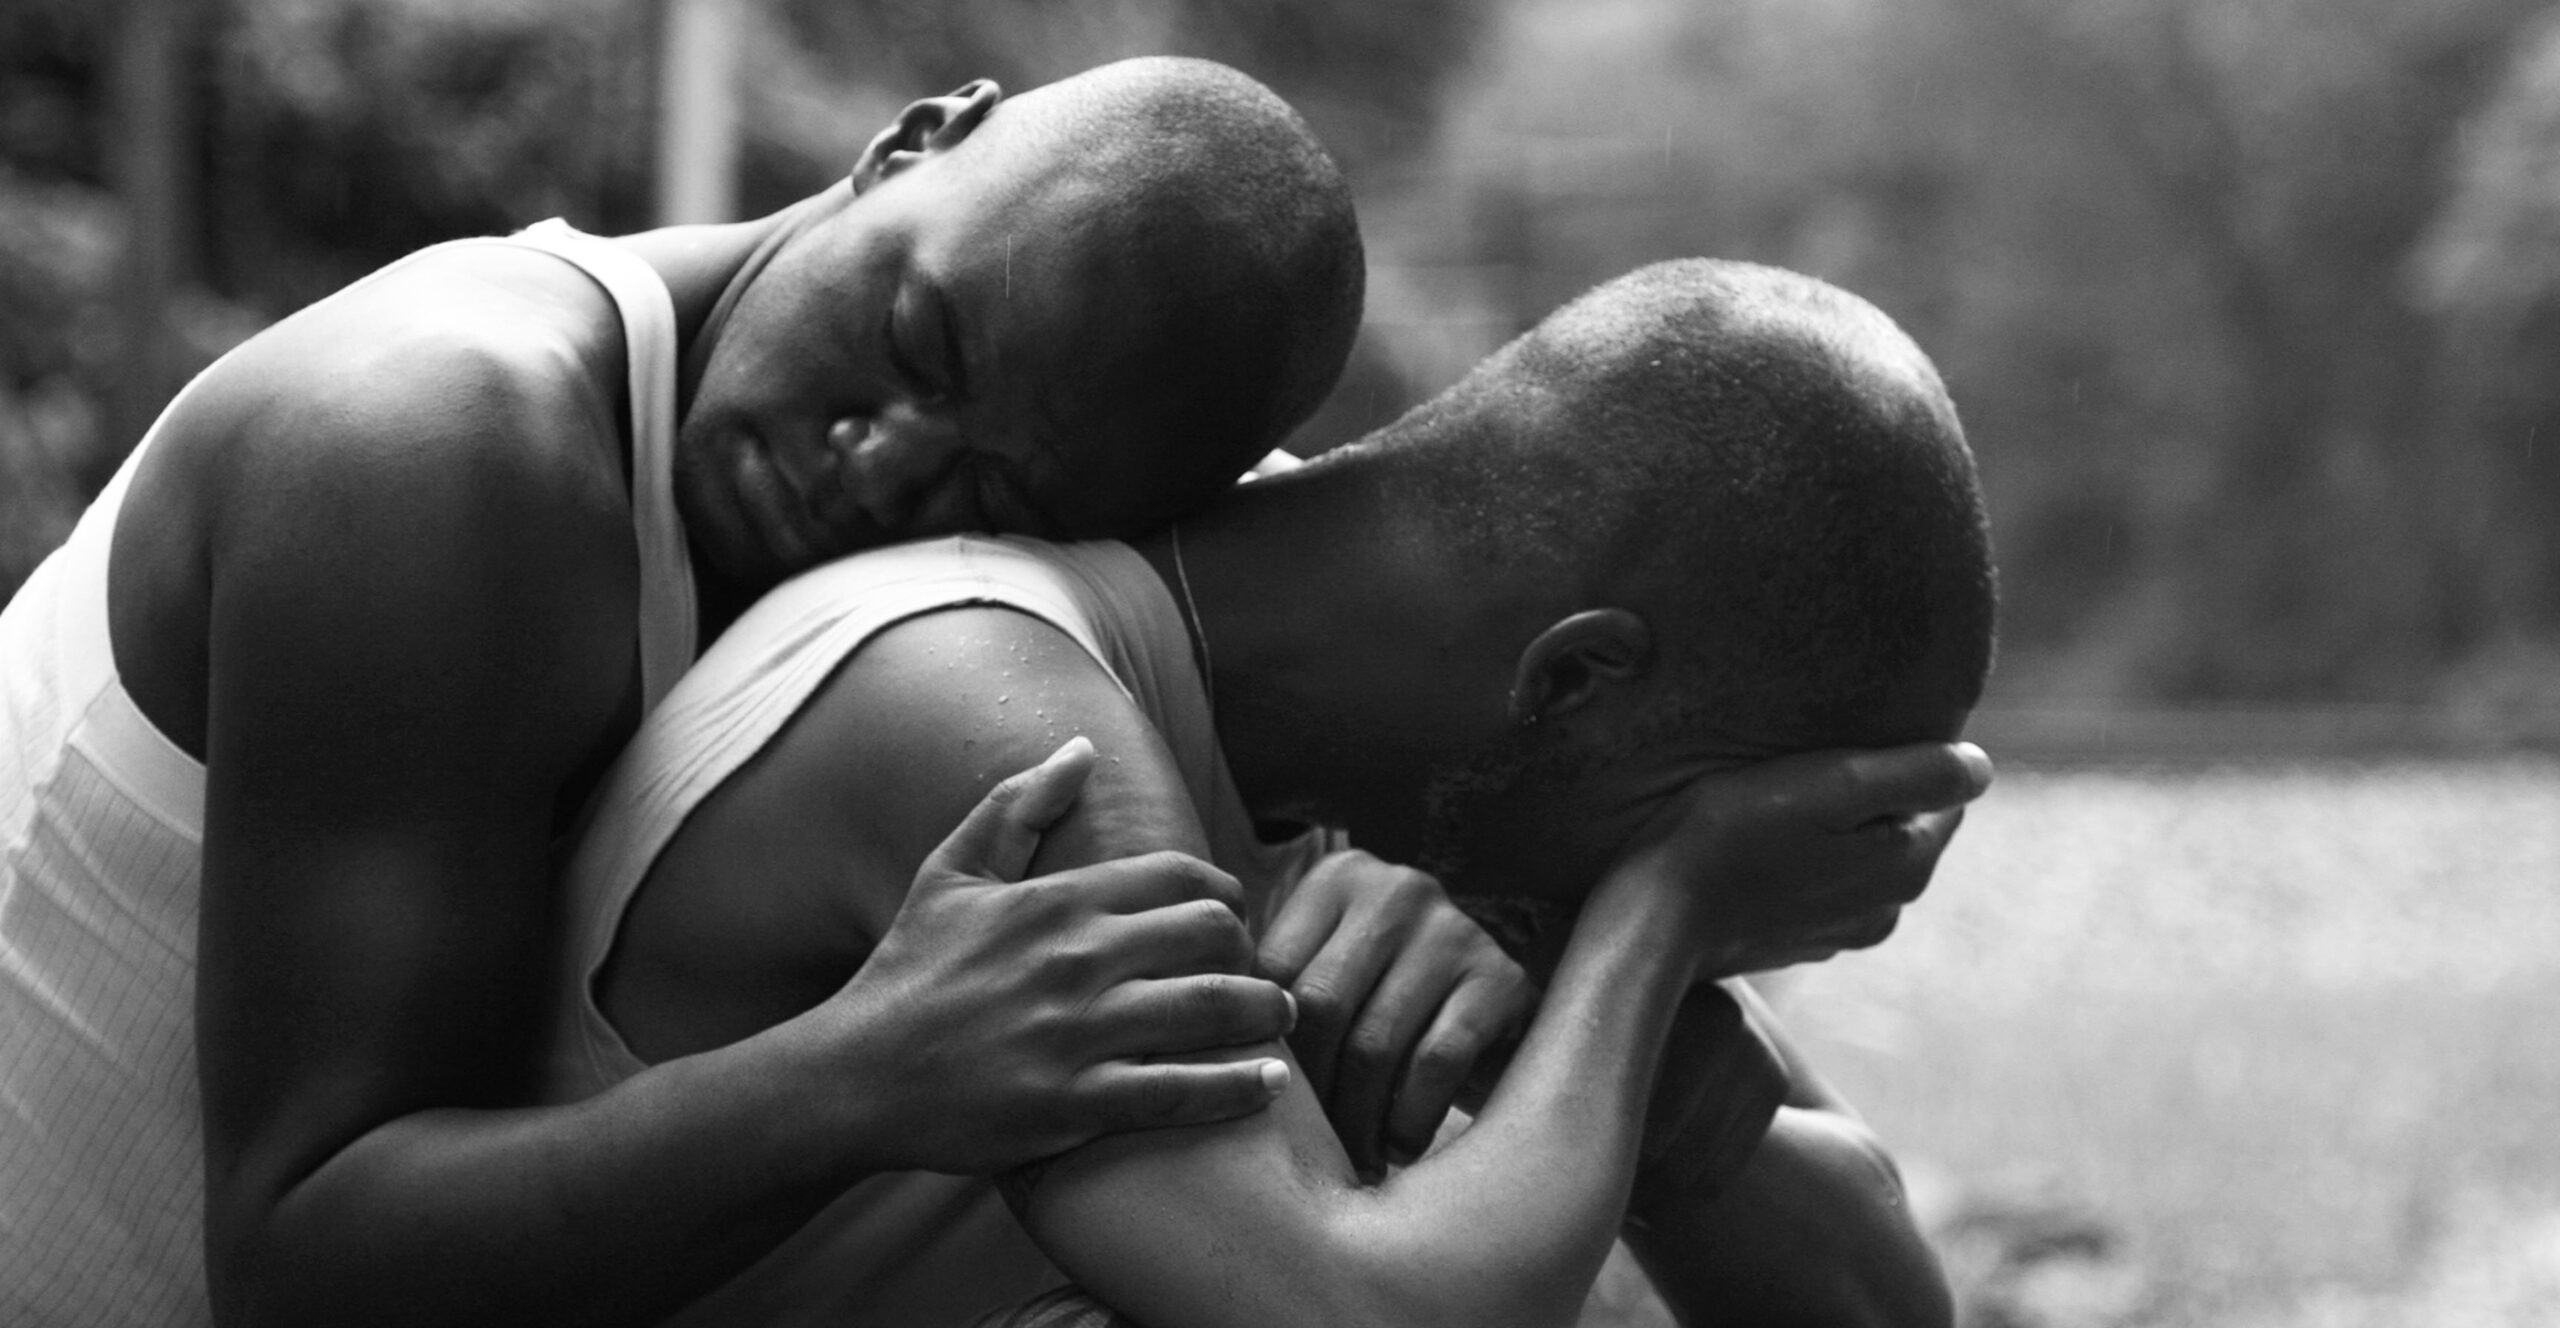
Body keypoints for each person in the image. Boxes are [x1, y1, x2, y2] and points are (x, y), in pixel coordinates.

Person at [0, 57, 1375, 1326]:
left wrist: (1400, 870)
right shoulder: (443, 449)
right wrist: (871, 1075)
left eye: (994, 492)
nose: (881, 464)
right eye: (915, 340)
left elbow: (1362, 583)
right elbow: (300, 1270)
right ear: (915, 139)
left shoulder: (1025, 417)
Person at [546, 258, 1999, 1325]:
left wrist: (1606, 1036)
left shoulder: (1355, 699)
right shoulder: (988, 695)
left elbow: (1877, 1307)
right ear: (1567, 684)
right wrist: (1656, 921)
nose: (1657, 876)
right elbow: (1354, 1320)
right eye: (1693, 813)